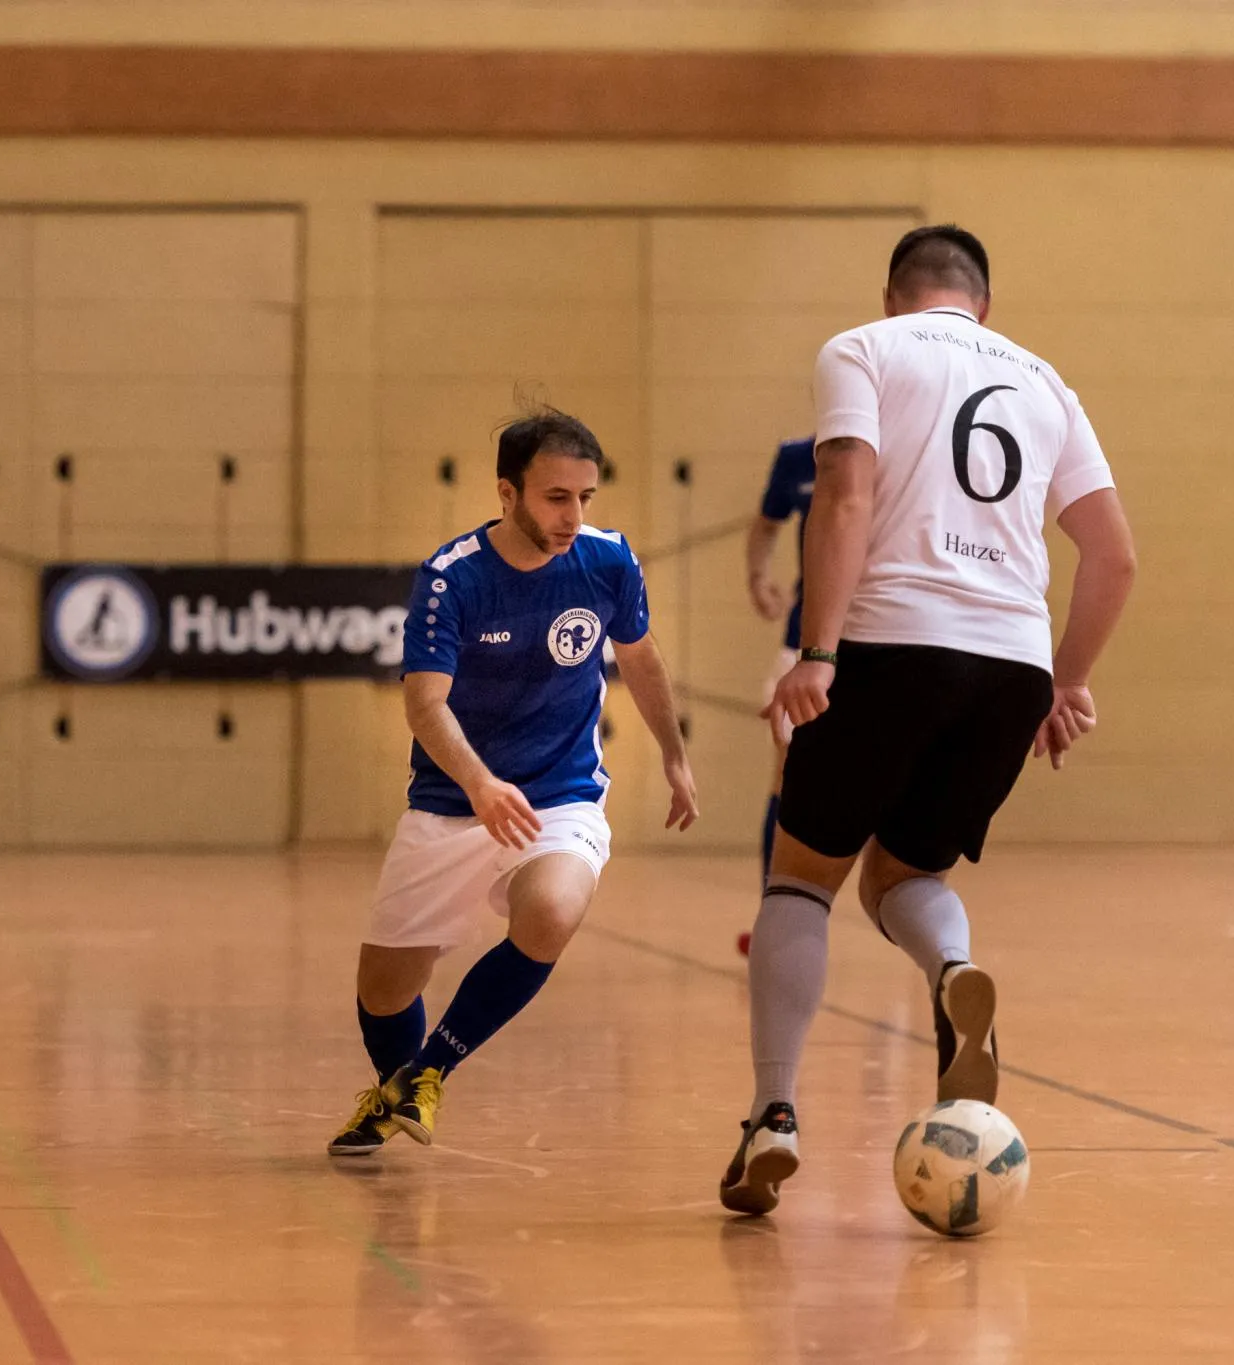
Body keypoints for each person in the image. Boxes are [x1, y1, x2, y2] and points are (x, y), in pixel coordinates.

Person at [720, 225, 1137, 1213]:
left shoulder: (862, 348)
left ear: (892, 293)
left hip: (889, 643)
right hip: (1010, 666)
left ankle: (772, 1114)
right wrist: (1066, 682)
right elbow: (1112, 557)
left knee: (802, 878)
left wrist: (818, 652)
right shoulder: (1046, 382)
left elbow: (845, 497)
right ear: (982, 306)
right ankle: (952, 967)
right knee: (907, 874)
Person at [328, 409, 699, 1157]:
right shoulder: (452, 577)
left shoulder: (607, 561)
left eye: (585, 497)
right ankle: (395, 1088)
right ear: (508, 492)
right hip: (452, 803)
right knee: (383, 991)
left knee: (553, 909)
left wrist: (673, 754)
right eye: (556, 497)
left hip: (560, 796)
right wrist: (481, 784)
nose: (573, 516)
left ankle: (430, 1071)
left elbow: (640, 657)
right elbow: (424, 704)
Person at [744, 435, 816, 884]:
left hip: (886, 636)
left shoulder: (906, 448)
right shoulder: (797, 457)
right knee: (789, 771)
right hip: (806, 637)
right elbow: (767, 524)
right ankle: (775, 900)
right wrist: (758, 576)